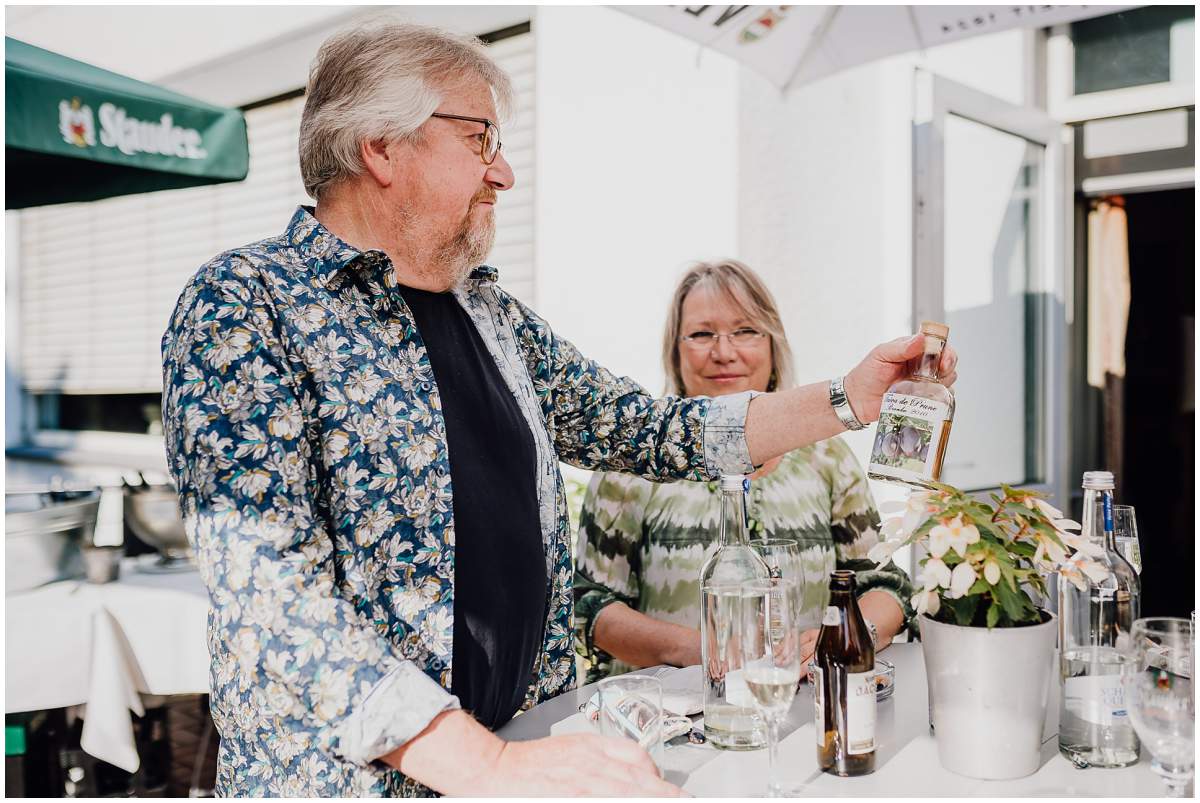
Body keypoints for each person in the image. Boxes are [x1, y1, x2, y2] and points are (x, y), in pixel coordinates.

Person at [160, 22, 958, 798]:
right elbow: (275, 606)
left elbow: (654, 429)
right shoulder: (244, 306)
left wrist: (850, 398)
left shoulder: (490, 314)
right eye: (481, 140)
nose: (503, 173)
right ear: (381, 147)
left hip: (529, 750)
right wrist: (492, 770)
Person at [575, 260, 914, 683]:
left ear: (773, 346)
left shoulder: (827, 457)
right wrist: (695, 650)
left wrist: (849, 634)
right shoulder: (633, 464)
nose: (724, 352)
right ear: (674, 350)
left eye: (746, 331)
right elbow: (589, 604)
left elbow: (883, 585)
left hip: (800, 714)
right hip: (670, 721)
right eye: (701, 334)